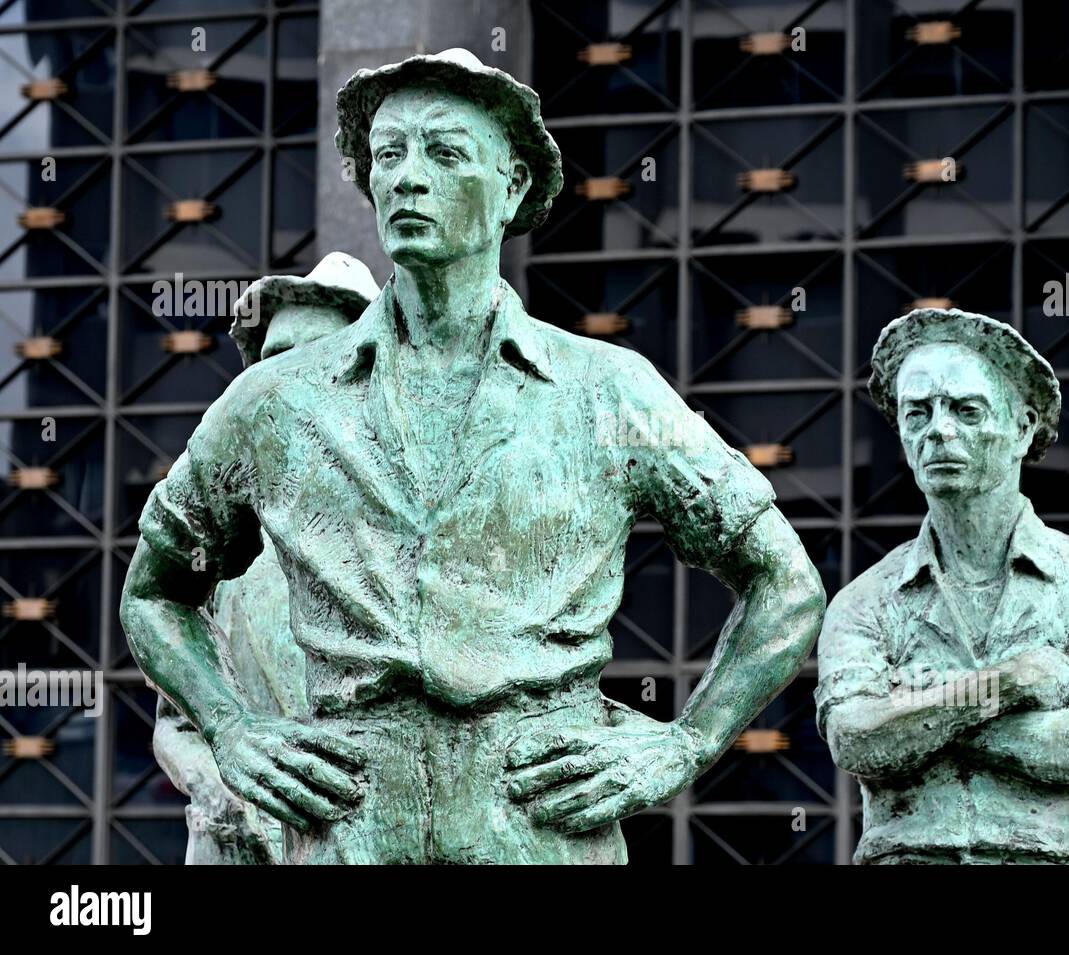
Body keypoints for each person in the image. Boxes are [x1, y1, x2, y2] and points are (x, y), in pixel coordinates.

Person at [121, 48, 825, 864]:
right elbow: (155, 591)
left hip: (538, 825)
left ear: (513, 186)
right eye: (389, 155)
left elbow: (785, 583)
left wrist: (684, 744)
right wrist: (233, 729)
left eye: (445, 153)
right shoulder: (276, 401)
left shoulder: (607, 391)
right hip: (351, 828)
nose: (406, 179)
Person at [815, 307, 1069, 864]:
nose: (939, 431)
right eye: (917, 413)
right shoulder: (865, 600)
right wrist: (1009, 685)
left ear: (1023, 428)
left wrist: (920, 719)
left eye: (967, 411)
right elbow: (855, 740)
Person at [152, 251, 380, 864]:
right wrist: (219, 785)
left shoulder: (415, 538)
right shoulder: (221, 560)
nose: (286, 386)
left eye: (313, 359)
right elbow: (176, 725)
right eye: (273, 363)